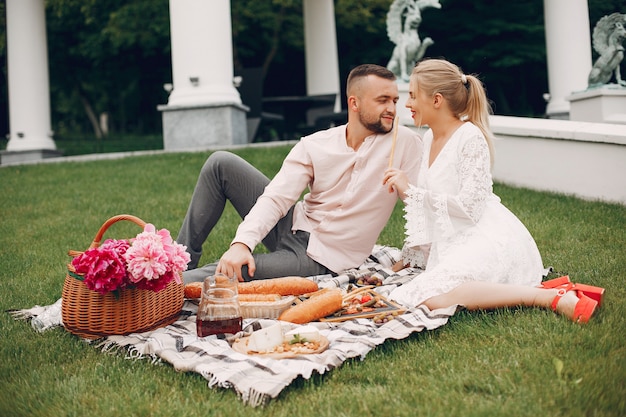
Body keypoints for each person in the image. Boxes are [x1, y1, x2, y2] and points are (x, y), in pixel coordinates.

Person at [382, 58, 602, 323]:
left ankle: (549, 297)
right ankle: (550, 292)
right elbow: (433, 212)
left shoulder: (469, 136)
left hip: (484, 237)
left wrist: (412, 191)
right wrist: (410, 256)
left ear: (437, 100)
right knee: (419, 293)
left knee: (429, 297)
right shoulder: (429, 138)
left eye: (413, 96)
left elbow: (468, 209)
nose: (407, 104)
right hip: (451, 243)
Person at [178, 64, 423, 283]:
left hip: (321, 258)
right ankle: (176, 264)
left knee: (231, 270)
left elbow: (420, 208)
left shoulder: (405, 142)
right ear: (354, 103)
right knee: (221, 163)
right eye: (383, 100)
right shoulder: (316, 144)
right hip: (292, 224)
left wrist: (413, 255)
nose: (392, 108)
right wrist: (242, 243)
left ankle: (156, 291)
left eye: (394, 100)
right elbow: (276, 197)